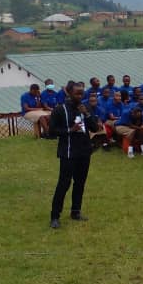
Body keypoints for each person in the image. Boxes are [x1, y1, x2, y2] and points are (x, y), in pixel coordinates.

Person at [49, 82, 100, 229]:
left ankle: (76, 211)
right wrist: (70, 130)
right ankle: (54, 216)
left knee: (80, 183)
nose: (80, 96)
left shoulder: (85, 108)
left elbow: (95, 128)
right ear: (69, 93)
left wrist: (87, 114)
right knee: (64, 184)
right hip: (68, 152)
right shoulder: (60, 110)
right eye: (77, 93)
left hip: (84, 152)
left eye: (81, 93)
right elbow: (51, 132)